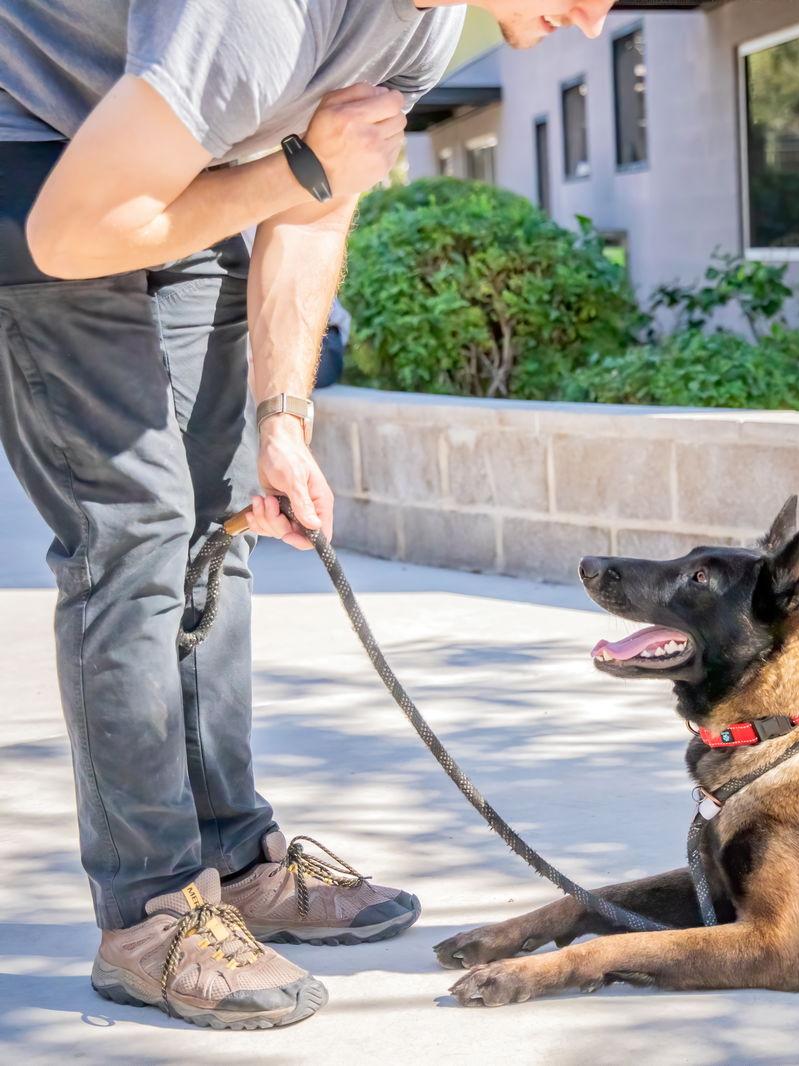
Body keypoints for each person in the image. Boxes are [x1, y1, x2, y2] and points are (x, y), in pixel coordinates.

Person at [0, 0, 616, 1030]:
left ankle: (235, 862)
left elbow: (318, 200)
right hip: (37, 163)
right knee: (134, 537)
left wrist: (283, 421)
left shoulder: (419, 28)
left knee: (222, 523)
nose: (595, 23)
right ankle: (151, 913)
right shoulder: (257, 12)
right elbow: (73, 230)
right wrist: (303, 167)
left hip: (181, 171)